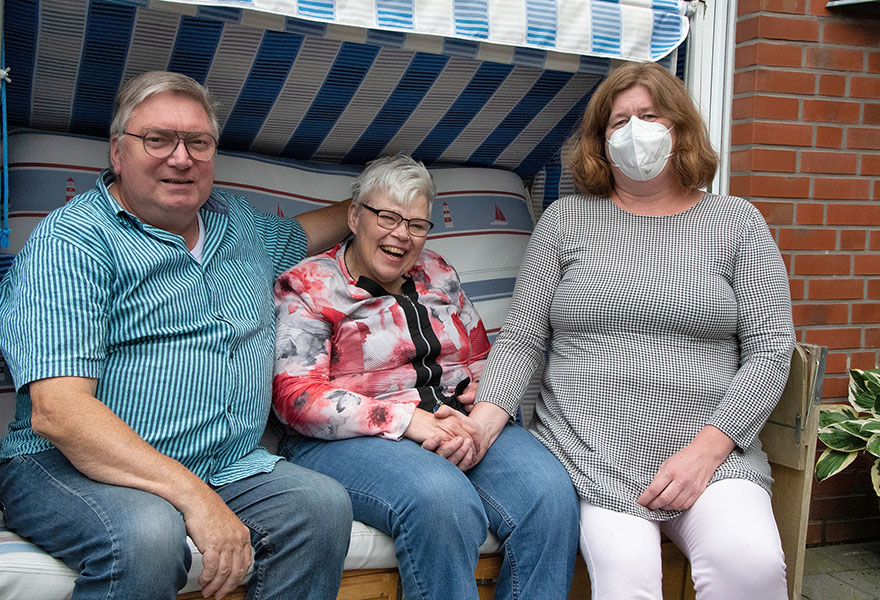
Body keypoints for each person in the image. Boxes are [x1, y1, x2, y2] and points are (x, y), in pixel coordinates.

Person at [0, 71, 354, 600]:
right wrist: (194, 498)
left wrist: (371, 211)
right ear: (118, 152)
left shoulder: (238, 225)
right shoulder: (73, 240)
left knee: (321, 506)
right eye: (157, 139)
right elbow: (60, 413)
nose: (181, 158)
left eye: (198, 142)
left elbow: (302, 234)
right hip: (68, 465)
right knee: (147, 536)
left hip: (225, 463)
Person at [469, 62, 796, 599]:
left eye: (649, 116)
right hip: (589, 451)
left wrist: (707, 451)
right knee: (627, 580)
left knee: (750, 565)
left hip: (708, 450)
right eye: (618, 121)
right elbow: (523, 338)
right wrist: (483, 423)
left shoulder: (736, 222)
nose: (633, 131)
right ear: (600, 141)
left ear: (680, 130)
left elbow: (770, 349)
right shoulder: (565, 220)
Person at [272, 154, 579, 600]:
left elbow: (480, 358)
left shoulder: (437, 272)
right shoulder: (309, 285)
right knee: (443, 501)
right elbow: (296, 397)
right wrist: (407, 421)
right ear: (355, 217)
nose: (401, 235)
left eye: (416, 224)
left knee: (550, 496)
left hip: (454, 418)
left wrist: (476, 418)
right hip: (349, 439)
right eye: (388, 217)